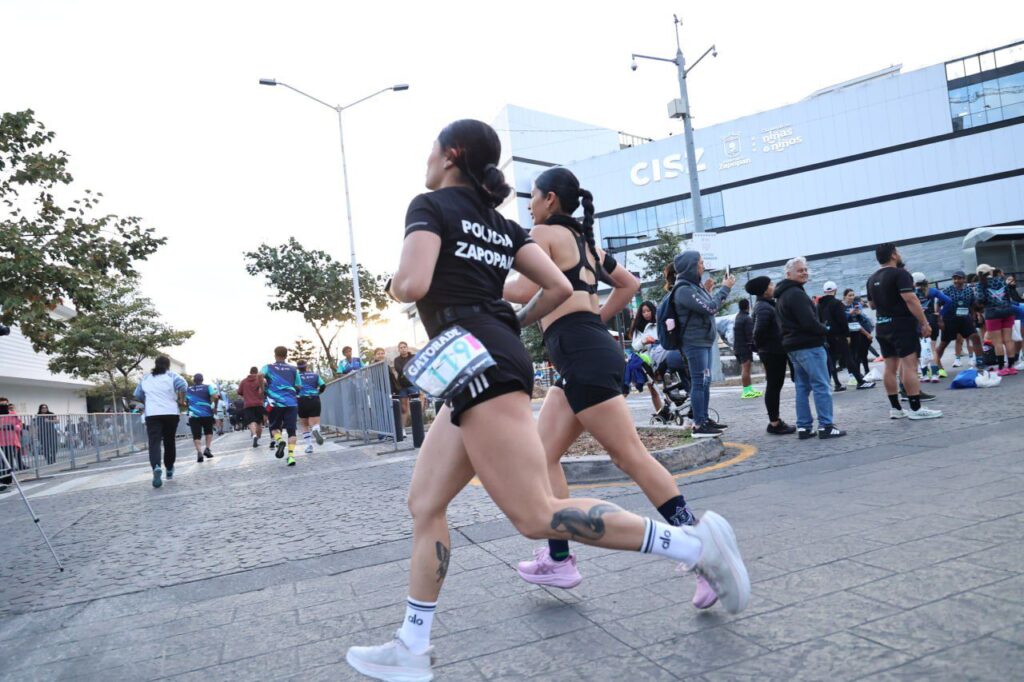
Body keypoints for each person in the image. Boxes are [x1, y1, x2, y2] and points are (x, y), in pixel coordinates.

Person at [345, 119, 749, 680]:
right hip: (478, 358)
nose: (427, 160)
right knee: (425, 502)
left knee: (536, 514)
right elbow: (559, 288)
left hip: (478, 360)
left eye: (432, 150)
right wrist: (509, 323)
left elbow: (411, 285)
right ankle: (412, 645)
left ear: (451, 155)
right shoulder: (504, 225)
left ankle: (694, 548)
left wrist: (395, 285)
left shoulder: (430, 206)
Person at [503, 166, 721, 608]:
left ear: (549, 200)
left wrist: (476, 281)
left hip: (582, 354)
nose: (529, 206)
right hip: (583, 352)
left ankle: (702, 551)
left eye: (533, 197)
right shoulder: (585, 243)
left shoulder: (542, 234)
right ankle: (558, 558)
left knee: (630, 456)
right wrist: (593, 320)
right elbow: (629, 284)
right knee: (542, 456)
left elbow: (524, 288)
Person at [865, 244, 943, 420]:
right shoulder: (900, 274)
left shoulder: (871, 279)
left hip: (882, 325)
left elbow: (872, 305)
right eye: (898, 251)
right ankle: (915, 408)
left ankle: (896, 409)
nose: (899, 254)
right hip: (901, 325)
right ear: (893, 255)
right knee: (909, 365)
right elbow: (910, 299)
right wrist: (924, 323)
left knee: (890, 367)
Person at [775, 257, 846, 439]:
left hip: (793, 347)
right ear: (788, 274)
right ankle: (826, 426)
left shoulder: (782, 295)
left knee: (802, 388)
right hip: (809, 345)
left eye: (805, 269)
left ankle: (804, 427)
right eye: (800, 270)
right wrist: (825, 329)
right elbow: (808, 322)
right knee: (821, 385)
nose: (805, 272)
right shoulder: (796, 294)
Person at [671, 251, 734, 437]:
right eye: (700, 262)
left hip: (703, 341)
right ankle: (698, 425)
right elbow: (711, 308)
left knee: (705, 382)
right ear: (691, 266)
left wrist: (708, 291)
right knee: (699, 382)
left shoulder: (694, 286)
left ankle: (704, 419)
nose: (703, 265)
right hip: (694, 342)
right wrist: (725, 288)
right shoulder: (683, 289)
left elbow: (707, 306)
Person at [748, 277, 796, 435]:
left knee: (775, 386)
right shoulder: (763, 307)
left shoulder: (766, 305)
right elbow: (758, 332)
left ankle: (775, 421)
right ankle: (774, 423)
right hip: (772, 352)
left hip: (773, 351)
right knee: (773, 387)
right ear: (764, 290)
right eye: (770, 284)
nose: (773, 286)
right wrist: (764, 347)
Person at [133, 356, 187, 488]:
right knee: (169, 441)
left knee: (154, 442)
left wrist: (148, 402)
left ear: (155, 364)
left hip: (152, 414)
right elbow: (183, 386)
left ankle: (156, 467)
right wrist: (181, 400)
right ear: (168, 365)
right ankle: (169, 468)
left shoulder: (145, 378)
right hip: (170, 412)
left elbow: (138, 394)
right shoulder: (172, 376)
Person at [818, 281, 875, 391]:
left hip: (827, 336)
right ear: (835, 290)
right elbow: (842, 321)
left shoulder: (819, 304)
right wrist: (847, 335)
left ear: (824, 291)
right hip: (839, 335)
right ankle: (860, 381)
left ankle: (835, 384)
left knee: (831, 361)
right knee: (849, 358)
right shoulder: (837, 303)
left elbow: (819, 321)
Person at [630, 301, 672, 419]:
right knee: (653, 389)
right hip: (646, 360)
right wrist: (644, 341)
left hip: (660, 357)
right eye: (643, 312)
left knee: (667, 387)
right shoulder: (638, 328)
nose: (646, 314)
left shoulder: (659, 323)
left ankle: (671, 409)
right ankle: (660, 413)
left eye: (648, 311)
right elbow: (635, 346)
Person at [262, 346, 301, 466]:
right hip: (291, 403)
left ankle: (279, 441)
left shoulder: (268, 367)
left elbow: (259, 376)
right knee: (292, 432)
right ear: (286, 355)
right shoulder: (293, 369)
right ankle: (291, 457)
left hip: (275, 403)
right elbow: (299, 386)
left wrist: (263, 388)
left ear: (275, 355)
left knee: (274, 428)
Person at [937, 269, 983, 371]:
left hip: (965, 318)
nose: (956, 281)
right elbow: (938, 303)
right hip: (950, 319)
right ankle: (936, 365)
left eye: (959, 278)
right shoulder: (947, 290)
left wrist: (973, 317)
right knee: (944, 343)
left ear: (964, 279)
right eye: (954, 279)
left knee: (975, 337)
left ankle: (980, 362)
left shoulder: (969, 290)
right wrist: (939, 320)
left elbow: (972, 305)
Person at [976, 264, 1018, 375]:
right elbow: (1008, 295)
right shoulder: (1000, 280)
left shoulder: (981, 284)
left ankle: (1001, 368)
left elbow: (980, 299)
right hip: (1007, 311)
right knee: (1008, 340)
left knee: (997, 342)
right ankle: (1011, 367)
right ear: (990, 272)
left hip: (992, 314)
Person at [912, 273, 951, 381]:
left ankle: (924, 374)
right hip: (932, 320)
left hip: (918, 321)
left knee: (920, 348)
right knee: (932, 348)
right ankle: (934, 374)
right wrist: (941, 313)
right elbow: (948, 301)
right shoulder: (932, 291)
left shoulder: (911, 292)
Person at [185, 373, 217, 463]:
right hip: (207, 413)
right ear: (202, 380)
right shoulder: (208, 387)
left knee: (196, 435)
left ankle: (199, 452)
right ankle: (207, 449)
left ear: (194, 380)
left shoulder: (188, 389)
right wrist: (215, 406)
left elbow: (185, 401)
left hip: (193, 415)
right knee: (208, 432)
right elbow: (215, 397)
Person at [843, 290, 876, 376]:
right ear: (845, 297)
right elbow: (842, 320)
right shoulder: (842, 307)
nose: (851, 297)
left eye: (853, 295)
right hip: (849, 334)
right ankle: (854, 374)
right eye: (849, 295)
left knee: (862, 354)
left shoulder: (856, 305)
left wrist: (860, 313)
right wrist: (849, 314)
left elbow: (863, 319)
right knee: (852, 355)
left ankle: (864, 372)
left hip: (859, 331)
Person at [296, 360, 326, 454]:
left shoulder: (296, 376)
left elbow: (294, 388)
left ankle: (309, 446)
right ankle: (315, 429)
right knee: (315, 422)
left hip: (301, 400)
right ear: (306, 366)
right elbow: (323, 385)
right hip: (314, 399)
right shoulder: (315, 375)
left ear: (298, 368)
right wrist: (318, 392)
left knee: (304, 424)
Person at [392, 342, 422, 428]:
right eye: (401, 347)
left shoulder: (414, 357)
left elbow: (416, 367)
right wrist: (409, 368)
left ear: (407, 348)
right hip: (402, 386)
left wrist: (407, 369)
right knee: (403, 408)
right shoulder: (396, 360)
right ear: (398, 350)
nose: (403, 349)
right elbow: (399, 369)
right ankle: (403, 429)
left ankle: (418, 427)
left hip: (413, 385)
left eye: (404, 347)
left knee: (416, 406)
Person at [238, 367, 266, 448]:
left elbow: (239, 392)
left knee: (251, 421)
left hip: (248, 404)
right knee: (259, 422)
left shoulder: (243, 381)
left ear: (250, 372)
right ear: (257, 372)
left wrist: (246, 394)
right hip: (259, 404)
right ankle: (258, 437)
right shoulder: (260, 380)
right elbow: (265, 388)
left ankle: (254, 435)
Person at [0, 398, 22, 487]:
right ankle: (2, 478)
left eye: (5, 404)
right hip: (1, 442)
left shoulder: (13, 414)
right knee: (1, 462)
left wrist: (12, 427)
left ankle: (8, 479)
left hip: (10, 441)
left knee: (9, 461)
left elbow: (19, 425)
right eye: (1, 405)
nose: (3, 406)